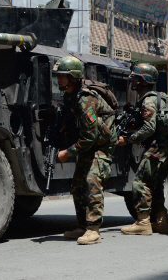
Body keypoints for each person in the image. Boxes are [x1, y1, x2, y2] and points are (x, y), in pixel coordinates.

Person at [53, 56, 117, 245]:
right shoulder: (70, 95)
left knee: (92, 181)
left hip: (102, 144)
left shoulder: (85, 99)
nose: (59, 79)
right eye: (58, 75)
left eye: (62, 76)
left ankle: (93, 229)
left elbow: (90, 137)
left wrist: (67, 152)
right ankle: (82, 226)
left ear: (73, 77)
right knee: (78, 184)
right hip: (89, 142)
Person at [119, 63, 168, 235]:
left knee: (141, 182)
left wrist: (128, 139)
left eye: (136, 77)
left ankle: (143, 222)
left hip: (157, 148)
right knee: (155, 184)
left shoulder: (148, 100)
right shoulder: (158, 97)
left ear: (144, 81)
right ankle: (161, 222)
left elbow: (149, 128)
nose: (132, 80)